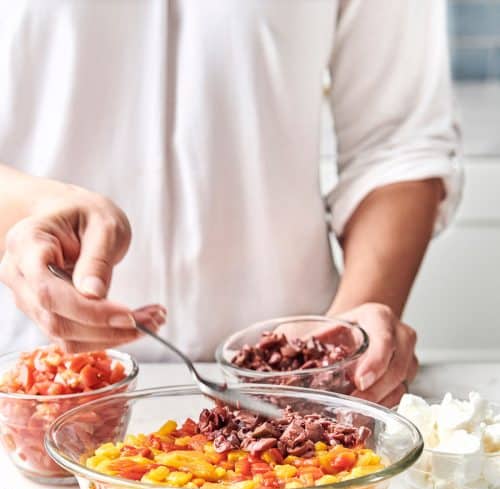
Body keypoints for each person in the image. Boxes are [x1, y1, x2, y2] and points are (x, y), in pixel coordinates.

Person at [0, 0, 461, 406]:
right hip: (38, 382)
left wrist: (346, 346)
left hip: (296, 386)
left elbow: (398, 142)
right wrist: (33, 208)